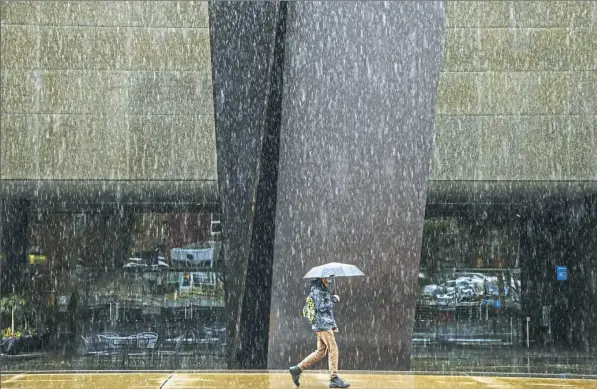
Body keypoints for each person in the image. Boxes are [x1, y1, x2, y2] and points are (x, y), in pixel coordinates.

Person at [289, 277, 350, 388]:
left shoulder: (323, 290)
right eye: (328, 277)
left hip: (323, 324)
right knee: (333, 348)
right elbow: (321, 307)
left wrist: (330, 298)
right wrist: (333, 300)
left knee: (321, 352)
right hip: (323, 325)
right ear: (322, 278)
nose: (330, 279)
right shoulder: (317, 291)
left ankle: (298, 369)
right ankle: (334, 378)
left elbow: (325, 307)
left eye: (331, 277)